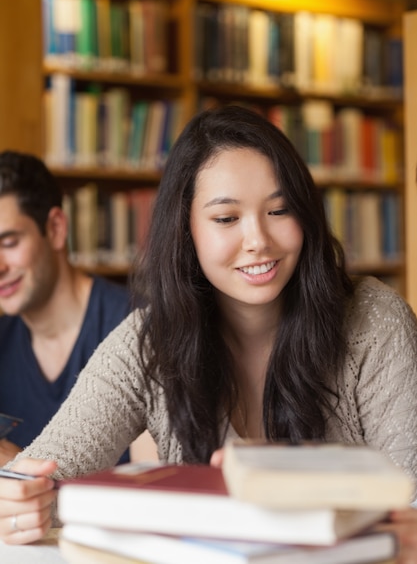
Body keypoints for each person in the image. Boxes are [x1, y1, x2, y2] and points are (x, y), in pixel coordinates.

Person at [1, 106, 417, 560]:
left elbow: (410, 501)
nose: (258, 239)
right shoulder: (150, 339)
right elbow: (47, 469)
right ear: (187, 230)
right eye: (226, 219)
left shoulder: (375, 321)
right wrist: (26, 501)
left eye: (280, 209)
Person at [0, 150, 133, 466]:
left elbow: (161, 483)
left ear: (57, 228)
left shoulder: (138, 329)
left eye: (9, 243)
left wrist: (21, 468)